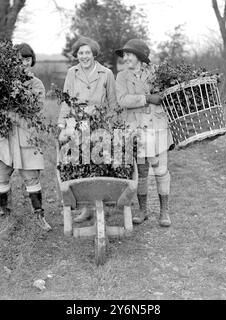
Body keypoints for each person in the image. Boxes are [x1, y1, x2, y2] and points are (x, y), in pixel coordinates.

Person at [0, 42, 52, 231]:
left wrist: (10, 112)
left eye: (27, 59)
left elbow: (34, 108)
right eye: (18, 59)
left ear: (32, 60)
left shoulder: (36, 84)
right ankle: (5, 212)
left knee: (31, 177)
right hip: (2, 136)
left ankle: (39, 215)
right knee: (0, 176)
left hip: (26, 136)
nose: (23, 63)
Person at [57, 36, 117, 222]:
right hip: (76, 122)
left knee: (99, 160)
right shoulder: (71, 73)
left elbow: (113, 103)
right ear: (76, 55)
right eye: (80, 53)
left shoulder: (106, 73)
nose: (84, 56)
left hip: (99, 122)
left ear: (94, 54)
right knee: (77, 161)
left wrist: (114, 126)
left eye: (87, 53)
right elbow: (67, 100)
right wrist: (62, 123)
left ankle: (103, 203)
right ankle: (85, 207)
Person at [115, 39, 174, 227]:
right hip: (136, 130)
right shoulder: (122, 77)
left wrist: (162, 97)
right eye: (124, 55)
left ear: (139, 56)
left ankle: (164, 212)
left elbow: (168, 94)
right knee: (141, 172)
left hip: (157, 128)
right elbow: (123, 100)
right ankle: (143, 211)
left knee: (161, 170)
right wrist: (147, 98)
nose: (126, 58)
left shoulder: (156, 74)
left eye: (129, 54)